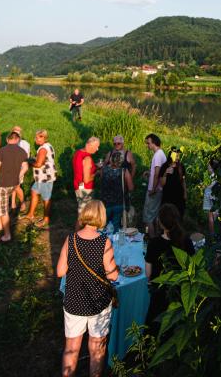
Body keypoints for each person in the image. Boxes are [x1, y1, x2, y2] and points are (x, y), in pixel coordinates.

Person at [56, 200, 118, 377]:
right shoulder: (104, 243)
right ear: (101, 217)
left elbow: (60, 271)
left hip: (74, 301)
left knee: (71, 348)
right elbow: (113, 276)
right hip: (97, 303)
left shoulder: (71, 239)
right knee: (97, 348)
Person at [145, 203, 194, 324]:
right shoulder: (186, 241)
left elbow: (148, 274)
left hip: (160, 297)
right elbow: (192, 268)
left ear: (160, 223)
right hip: (181, 294)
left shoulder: (154, 243)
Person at [0, 131, 27, 243]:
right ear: (18, 140)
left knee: (3, 210)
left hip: (2, 183)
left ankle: (7, 235)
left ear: (7, 140)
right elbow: (25, 167)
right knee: (4, 203)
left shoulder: (2, 150)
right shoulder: (22, 151)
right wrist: (18, 176)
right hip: (14, 183)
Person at [98, 146, 134, 231]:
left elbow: (101, 181)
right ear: (121, 161)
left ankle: (103, 241)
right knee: (116, 227)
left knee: (103, 226)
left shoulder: (104, 169)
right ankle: (114, 242)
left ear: (110, 160)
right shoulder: (124, 171)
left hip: (105, 203)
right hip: (119, 203)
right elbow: (131, 188)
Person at [25, 129, 55, 226]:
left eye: (37, 137)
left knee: (46, 198)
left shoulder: (43, 149)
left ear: (43, 137)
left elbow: (38, 164)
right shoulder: (48, 145)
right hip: (41, 177)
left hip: (45, 177)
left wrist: (29, 162)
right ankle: (30, 214)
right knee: (34, 192)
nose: (35, 139)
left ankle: (46, 219)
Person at [143, 133, 166, 237]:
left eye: (148, 143)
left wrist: (152, 189)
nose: (147, 145)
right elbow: (157, 172)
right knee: (155, 215)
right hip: (159, 189)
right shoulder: (161, 154)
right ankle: (156, 238)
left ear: (154, 143)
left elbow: (157, 173)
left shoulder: (157, 155)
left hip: (155, 190)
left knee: (148, 217)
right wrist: (149, 172)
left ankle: (150, 240)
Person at [72, 137, 100, 216]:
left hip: (78, 185)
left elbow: (81, 168)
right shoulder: (87, 158)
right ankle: (79, 228)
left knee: (82, 213)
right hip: (86, 189)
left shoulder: (78, 152)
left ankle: (80, 228)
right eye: (96, 146)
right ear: (90, 145)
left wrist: (94, 166)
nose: (97, 149)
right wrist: (97, 173)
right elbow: (86, 179)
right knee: (83, 215)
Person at [157, 146, 187, 218]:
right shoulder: (165, 166)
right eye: (175, 155)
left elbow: (183, 181)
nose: (177, 157)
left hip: (179, 197)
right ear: (171, 155)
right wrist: (165, 173)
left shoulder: (181, 166)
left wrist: (185, 193)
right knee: (168, 216)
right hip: (168, 197)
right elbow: (162, 184)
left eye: (178, 155)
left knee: (178, 215)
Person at [10, 125, 30, 211]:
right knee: (13, 186)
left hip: (21, 167)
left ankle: (22, 202)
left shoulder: (25, 144)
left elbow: (26, 157)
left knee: (16, 186)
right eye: (15, 133)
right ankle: (13, 203)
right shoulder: (10, 142)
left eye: (18, 134)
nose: (16, 136)